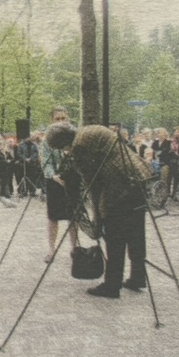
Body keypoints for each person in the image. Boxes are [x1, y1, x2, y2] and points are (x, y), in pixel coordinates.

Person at [47, 123, 151, 299]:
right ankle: (138, 276)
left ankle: (112, 285)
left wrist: (98, 215)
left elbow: (92, 184)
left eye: (62, 148)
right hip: (137, 177)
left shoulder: (79, 147)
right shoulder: (89, 130)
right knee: (136, 233)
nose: (65, 151)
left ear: (64, 142)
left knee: (115, 238)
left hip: (120, 186)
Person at [41, 106, 79, 264]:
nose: (61, 122)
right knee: (53, 217)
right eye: (58, 119)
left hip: (72, 181)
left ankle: (74, 248)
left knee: (73, 217)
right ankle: (51, 249)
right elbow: (45, 163)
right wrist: (53, 176)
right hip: (55, 182)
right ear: (51, 121)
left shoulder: (75, 136)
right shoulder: (47, 141)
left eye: (64, 118)